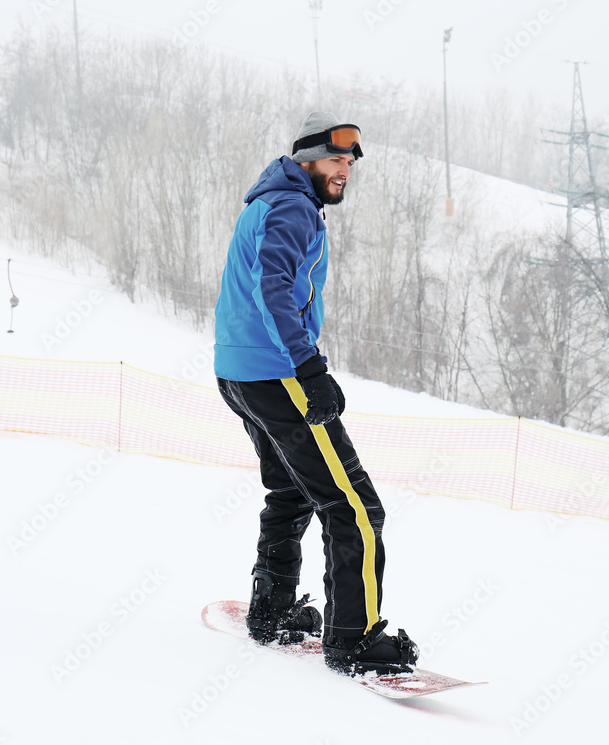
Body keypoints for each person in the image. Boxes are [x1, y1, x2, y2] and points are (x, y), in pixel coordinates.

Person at [213, 111, 419, 676]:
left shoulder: (267, 200)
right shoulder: (293, 207)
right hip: (277, 374)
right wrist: (309, 368)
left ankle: (272, 610)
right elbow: (273, 285)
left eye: (349, 162)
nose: (344, 171)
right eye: (334, 160)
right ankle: (354, 640)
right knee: (354, 506)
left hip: (238, 371)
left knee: (292, 489)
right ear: (306, 161)